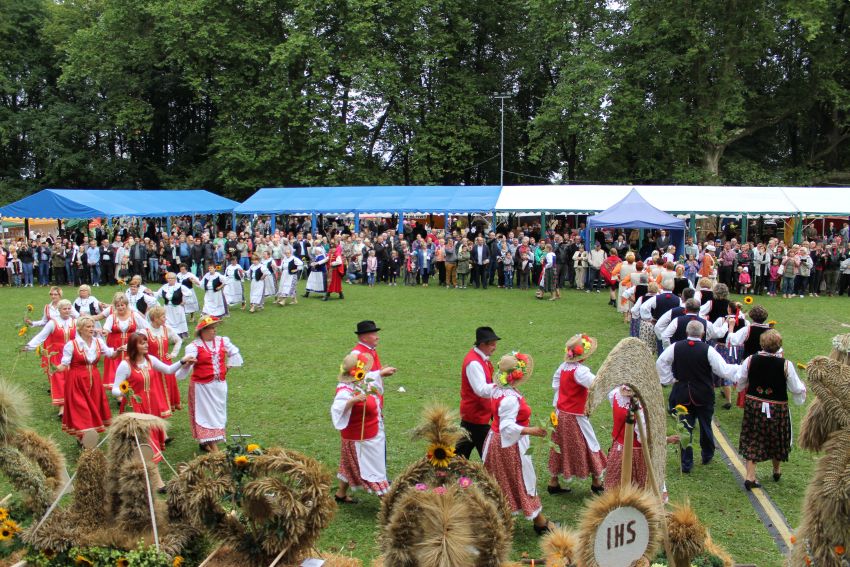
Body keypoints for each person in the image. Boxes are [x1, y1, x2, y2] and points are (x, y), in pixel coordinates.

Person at [483, 352, 556, 535]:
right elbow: (507, 426)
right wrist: (532, 430)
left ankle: (500, 518)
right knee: (521, 478)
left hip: (497, 440)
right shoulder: (509, 398)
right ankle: (539, 521)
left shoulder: (497, 389)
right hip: (509, 444)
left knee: (504, 479)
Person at [112, 333, 194, 490]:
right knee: (146, 442)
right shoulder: (125, 365)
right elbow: (115, 388)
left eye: (146, 342)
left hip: (151, 408)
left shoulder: (150, 360)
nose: (146, 345)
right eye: (142, 343)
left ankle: (137, 475)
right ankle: (157, 482)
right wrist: (124, 391)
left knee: (146, 443)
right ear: (134, 346)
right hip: (135, 410)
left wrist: (182, 361)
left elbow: (168, 370)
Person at [656, 320, 739, 473]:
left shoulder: (675, 347)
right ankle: (707, 454)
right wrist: (741, 369)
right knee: (705, 424)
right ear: (702, 334)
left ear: (686, 333)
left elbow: (661, 362)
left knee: (685, 427)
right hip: (704, 393)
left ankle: (686, 462)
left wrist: (670, 379)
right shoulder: (708, 350)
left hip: (682, 392)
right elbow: (723, 370)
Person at [735, 330, 806, 490]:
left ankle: (750, 476)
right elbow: (795, 388)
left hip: (754, 404)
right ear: (779, 346)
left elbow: (740, 380)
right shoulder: (786, 364)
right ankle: (776, 470)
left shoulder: (750, 360)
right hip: (777, 407)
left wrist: (742, 387)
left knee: (753, 436)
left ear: (762, 344)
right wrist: (802, 388)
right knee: (777, 437)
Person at [548, 334, 606, 495]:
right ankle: (596, 481)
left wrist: (562, 400)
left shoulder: (563, 367)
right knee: (587, 443)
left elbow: (555, 384)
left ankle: (553, 482)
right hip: (574, 416)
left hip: (560, 413)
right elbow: (596, 384)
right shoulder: (580, 371)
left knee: (560, 445)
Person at [175, 315, 243, 452]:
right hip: (202, 388)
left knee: (217, 414)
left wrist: (227, 368)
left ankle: (207, 442)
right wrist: (188, 363)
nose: (214, 330)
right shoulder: (194, 347)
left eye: (214, 327)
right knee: (205, 415)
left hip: (219, 386)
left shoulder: (222, 341)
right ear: (203, 331)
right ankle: (213, 448)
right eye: (211, 328)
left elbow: (234, 353)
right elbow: (186, 364)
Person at [331, 351, 390, 502]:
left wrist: (381, 373)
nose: (366, 373)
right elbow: (337, 409)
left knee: (348, 466)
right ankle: (387, 502)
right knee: (373, 468)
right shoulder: (345, 391)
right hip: (361, 438)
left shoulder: (361, 381)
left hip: (369, 431)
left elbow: (370, 377)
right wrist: (352, 401)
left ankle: (341, 494)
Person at [54, 316, 121, 440]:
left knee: (93, 406)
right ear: (80, 329)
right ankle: (84, 437)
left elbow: (111, 355)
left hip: (94, 379)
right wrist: (55, 368)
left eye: (92, 326)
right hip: (77, 380)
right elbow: (64, 364)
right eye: (88, 327)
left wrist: (120, 350)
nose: (91, 329)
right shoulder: (72, 345)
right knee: (81, 407)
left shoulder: (98, 342)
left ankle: (86, 437)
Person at [23, 299, 77, 416]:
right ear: (59, 310)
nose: (67, 311)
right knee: (58, 379)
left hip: (72, 354)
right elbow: (41, 336)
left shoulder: (75, 322)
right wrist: (29, 346)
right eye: (64, 309)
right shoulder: (53, 323)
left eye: (69, 308)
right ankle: (62, 407)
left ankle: (72, 404)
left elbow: (81, 338)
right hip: (56, 355)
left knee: (72, 378)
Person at [456, 326, 500, 459]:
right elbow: (481, 390)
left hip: (474, 416)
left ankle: (449, 469)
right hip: (476, 417)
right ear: (482, 344)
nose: (495, 347)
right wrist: (502, 386)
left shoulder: (481, 359)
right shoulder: (474, 363)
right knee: (490, 457)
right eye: (492, 344)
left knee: (460, 454)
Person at [102, 294, 149, 389]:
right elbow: (106, 328)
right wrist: (105, 331)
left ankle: (132, 383)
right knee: (115, 365)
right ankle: (117, 386)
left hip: (131, 344)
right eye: (118, 305)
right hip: (115, 345)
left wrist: (139, 336)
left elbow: (146, 327)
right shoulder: (111, 317)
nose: (120, 307)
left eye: (122, 305)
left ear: (126, 305)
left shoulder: (134, 315)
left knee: (130, 363)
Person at [145, 305, 184, 413]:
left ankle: (167, 406)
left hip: (166, 364)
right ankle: (157, 407)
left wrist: (173, 354)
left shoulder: (167, 329)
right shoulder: (146, 332)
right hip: (153, 365)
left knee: (167, 386)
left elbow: (178, 340)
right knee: (156, 388)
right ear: (155, 318)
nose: (165, 318)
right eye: (163, 317)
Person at [157, 272, 188, 337]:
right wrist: (150, 293)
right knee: (168, 320)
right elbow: (157, 294)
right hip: (167, 307)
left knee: (178, 320)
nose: (170, 279)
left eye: (172, 278)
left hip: (177, 307)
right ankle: (170, 334)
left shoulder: (180, 286)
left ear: (175, 279)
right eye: (168, 278)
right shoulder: (164, 287)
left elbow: (189, 293)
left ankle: (180, 334)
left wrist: (184, 301)